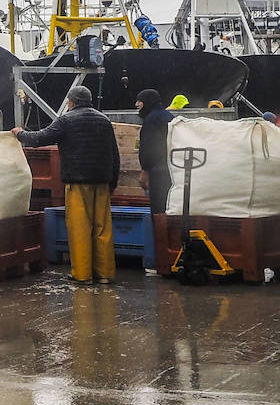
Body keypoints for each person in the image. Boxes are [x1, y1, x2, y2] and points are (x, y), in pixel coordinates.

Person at [12, 86, 120, 284]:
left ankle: (83, 275)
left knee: (80, 228)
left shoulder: (67, 120)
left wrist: (20, 134)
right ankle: (104, 274)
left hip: (78, 182)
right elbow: (115, 154)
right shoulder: (104, 121)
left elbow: (40, 138)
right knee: (102, 229)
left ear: (71, 102)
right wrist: (112, 181)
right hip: (102, 182)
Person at [135, 89, 175, 216]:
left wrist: (145, 171)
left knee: (158, 211)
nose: (137, 105)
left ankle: (160, 235)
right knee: (169, 208)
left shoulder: (151, 120)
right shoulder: (169, 117)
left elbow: (150, 147)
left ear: (147, 102)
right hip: (172, 169)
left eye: (139, 101)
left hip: (157, 172)